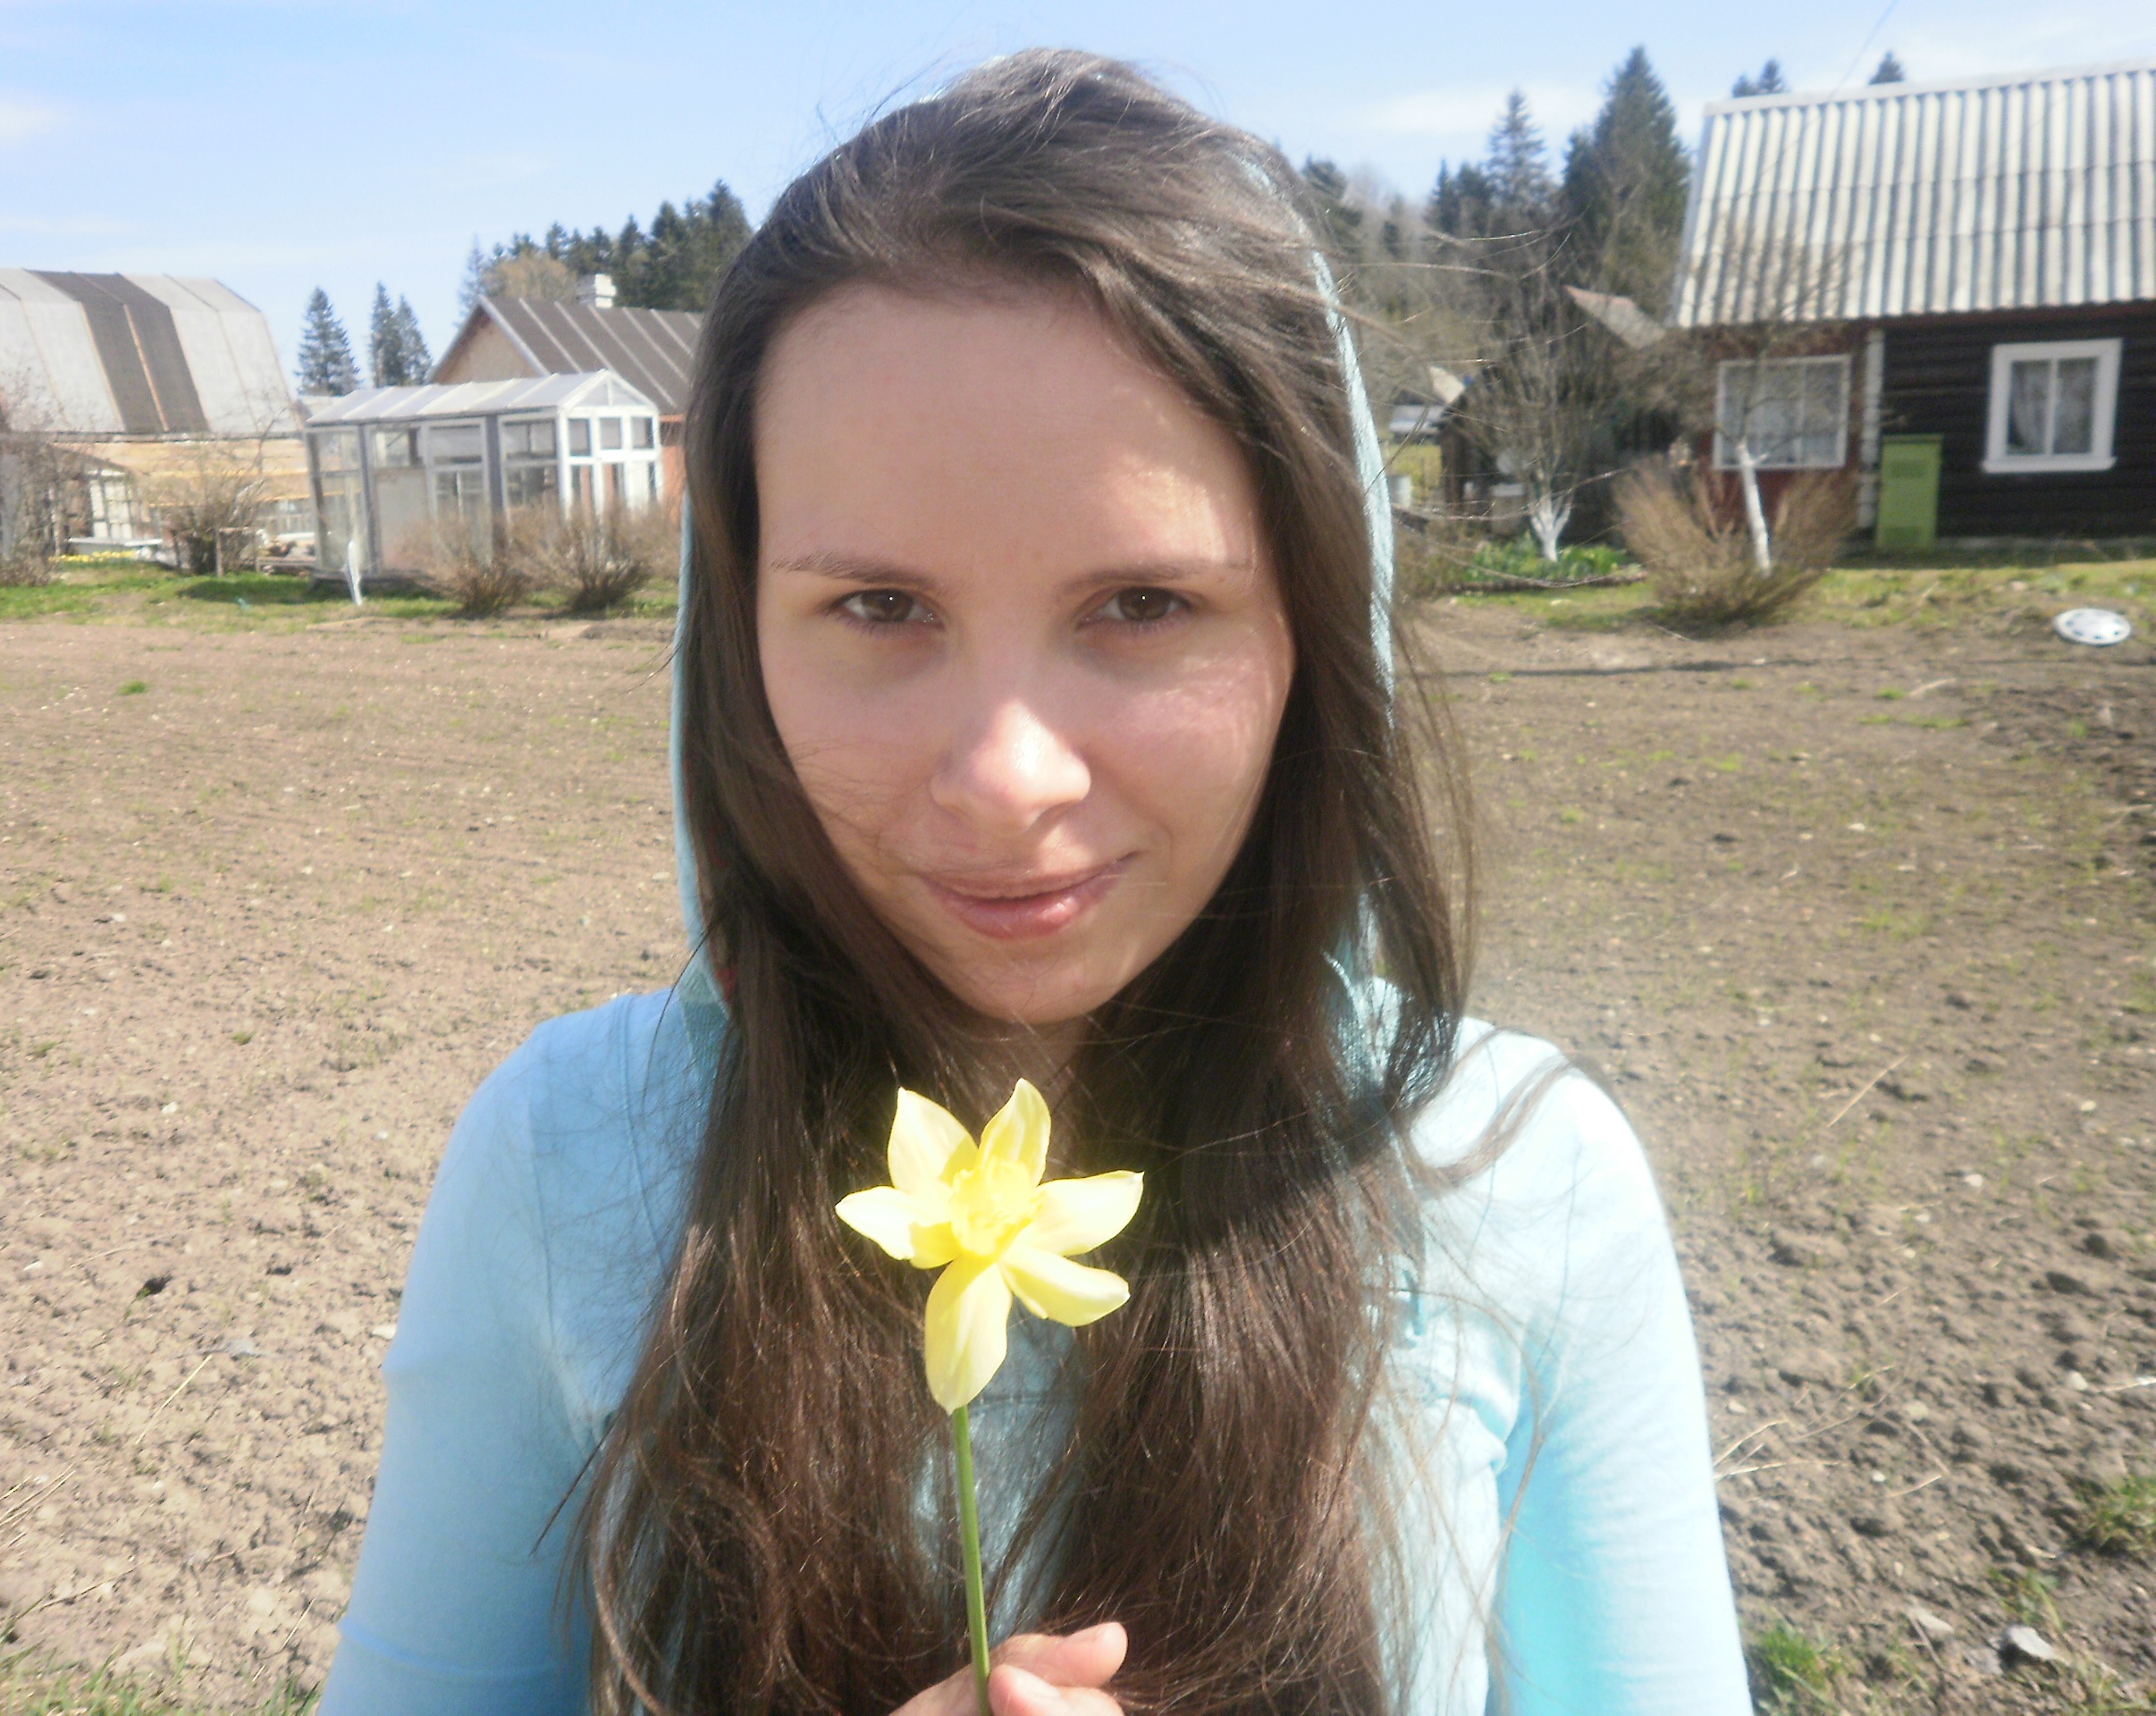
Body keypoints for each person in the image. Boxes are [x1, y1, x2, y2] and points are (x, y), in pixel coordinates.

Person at [318, 51, 1749, 1716]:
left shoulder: (1521, 1185)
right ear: (740, 638)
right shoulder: (572, 1159)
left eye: (1142, 605)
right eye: (878, 608)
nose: (1008, 779)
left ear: (1313, 625)